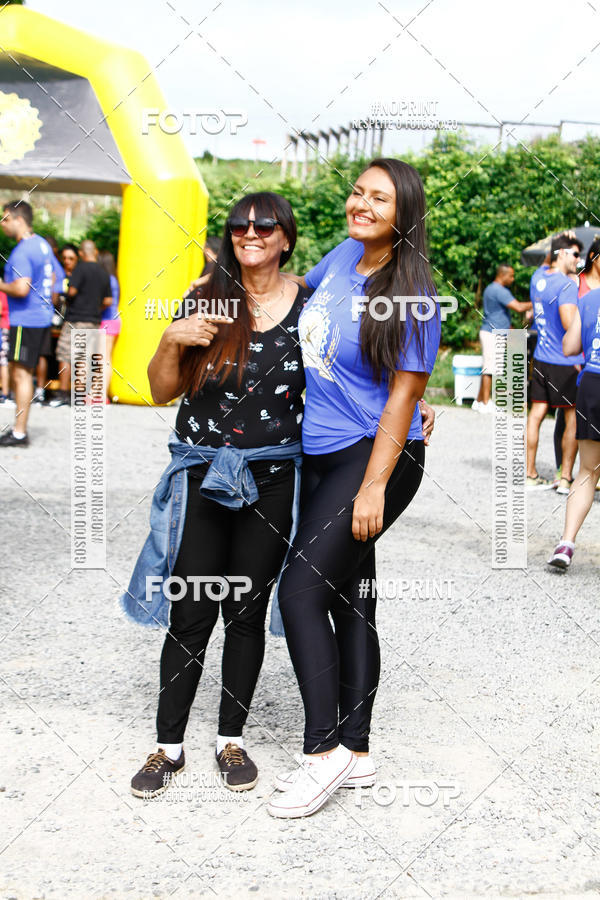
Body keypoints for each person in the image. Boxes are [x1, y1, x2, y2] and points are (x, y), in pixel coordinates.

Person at [123, 192, 313, 798]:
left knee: (247, 613)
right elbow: (160, 391)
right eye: (240, 225)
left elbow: (347, 381)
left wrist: (414, 410)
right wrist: (171, 340)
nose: (250, 233)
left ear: (285, 236)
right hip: (204, 475)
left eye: (264, 226)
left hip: (273, 478)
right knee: (191, 610)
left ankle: (231, 738)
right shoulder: (205, 296)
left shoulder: (310, 305)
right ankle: (166, 748)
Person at [268, 158, 441, 819]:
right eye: (358, 192)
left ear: (404, 215)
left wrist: (374, 488)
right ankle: (359, 750)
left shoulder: (413, 289)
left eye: (380, 198)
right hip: (323, 451)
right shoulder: (341, 257)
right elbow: (292, 301)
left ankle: (322, 754)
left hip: (376, 459)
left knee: (301, 589)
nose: (361, 204)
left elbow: (403, 397)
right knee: (351, 596)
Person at [547, 283, 600, 568]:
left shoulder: (590, 298)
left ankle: (565, 544)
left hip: (593, 383)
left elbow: (569, 346)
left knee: (587, 471)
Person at [526, 234, 584, 491]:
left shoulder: (537, 278)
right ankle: (565, 477)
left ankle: (529, 473)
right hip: (565, 361)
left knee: (536, 414)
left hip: (540, 357)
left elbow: (544, 261)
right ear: (562, 254)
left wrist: (559, 241)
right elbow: (568, 324)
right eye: (574, 254)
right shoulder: (567, 286)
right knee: (572, 418)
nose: (579, 260)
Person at [0, 200, 54, 446]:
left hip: (25, 320)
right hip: (40, 317)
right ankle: (20, 429)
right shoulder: (42, 245)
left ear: (17, 219)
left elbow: (21, 288)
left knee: (21, 375)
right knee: (25, 374)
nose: (3, 224)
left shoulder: (22, 251)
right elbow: (55, 277)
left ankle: (19, 432)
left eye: (5, 219)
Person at [50, 239, 112, 407]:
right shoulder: (103, 272)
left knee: (65, 355)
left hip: (75, 319)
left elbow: (72, 291)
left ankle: (63, 393)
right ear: (96, 252)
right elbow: (108, 300)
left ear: (81, 254)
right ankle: (78, 396)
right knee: (83, 358)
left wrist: (69, 298)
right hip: (93, 321)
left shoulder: (80, 268)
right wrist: (94, 306)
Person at [473, 264, 531, 413]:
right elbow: (518, 307)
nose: (512, 279)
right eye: (511, 276)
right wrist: (537, 303)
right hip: (492, 333)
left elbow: (498, 313)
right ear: (502, 275)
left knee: (488, 366)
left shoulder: (490, 288)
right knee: (490, 369)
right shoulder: (500, 290)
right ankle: (486, 403)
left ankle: (479, 401)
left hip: (493, 331)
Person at [33, 235, 66, 404]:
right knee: (42, 354)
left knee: (30, 355)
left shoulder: (46, 262)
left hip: (34, 314)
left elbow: (54, 295)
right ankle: (39, 390)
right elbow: (56, 296)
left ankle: (31, 389)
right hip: (46, 316)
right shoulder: (57, 266)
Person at [98, 250, 121, 400]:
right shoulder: (115, 279)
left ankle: (100, 395)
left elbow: (105, 302)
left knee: (103, 359)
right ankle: (100, 394)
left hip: (106, 321)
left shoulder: (107, 280)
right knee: (105, 359)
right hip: (114, 320)